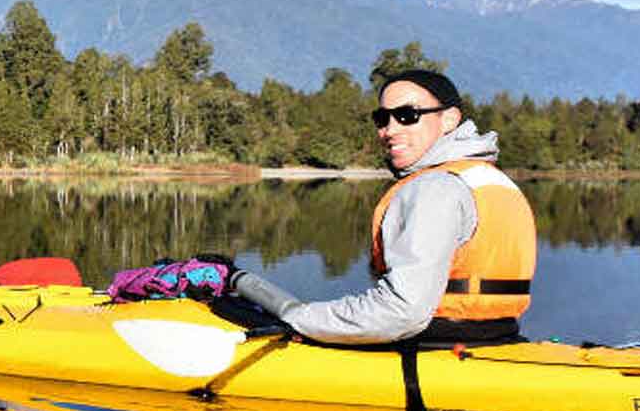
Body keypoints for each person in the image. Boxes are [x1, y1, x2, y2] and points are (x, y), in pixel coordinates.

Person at [183, 70, 536, 344]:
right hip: (496, 334)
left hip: (433, 342)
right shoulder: (487, 178)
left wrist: (301, 318)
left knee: (234, 310)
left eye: (407, 115)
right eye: (383, 118)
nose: (390, 130)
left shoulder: (437, 188)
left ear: (449, 119)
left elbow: (402, 312)